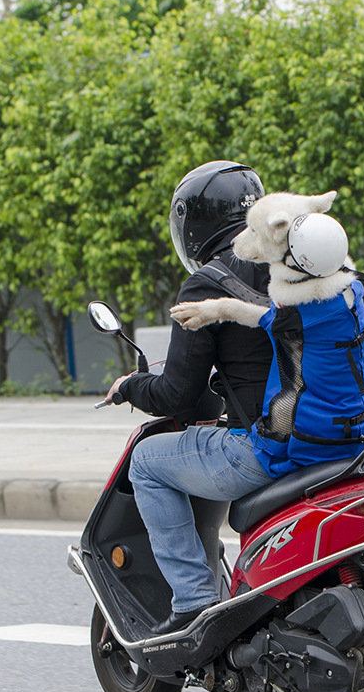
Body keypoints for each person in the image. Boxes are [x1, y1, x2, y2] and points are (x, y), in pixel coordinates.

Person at [105, 160, 274, 635]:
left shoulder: (207, 285)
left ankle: (194, 602)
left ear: (194, 224)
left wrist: (130, 387)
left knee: (148, 462)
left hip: (270, 448)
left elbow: (179, 394)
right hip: (351, 442)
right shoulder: (300, 267)